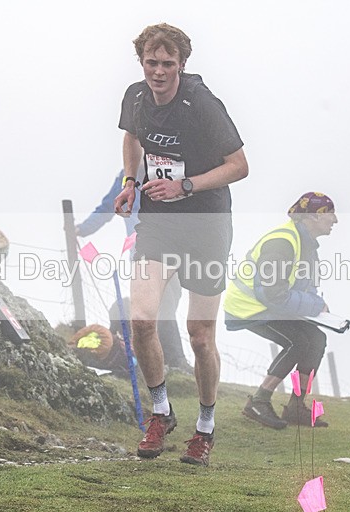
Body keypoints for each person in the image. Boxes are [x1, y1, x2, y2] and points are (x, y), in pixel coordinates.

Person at [114, 24, 249, 466]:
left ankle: (205, 427)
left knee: (200, 335)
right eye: (151, 63)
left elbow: (239, 166)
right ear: (142, 62)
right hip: (159, 223)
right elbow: (132, 136)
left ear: (182, 65)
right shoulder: (135, 97)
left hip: (207, 226)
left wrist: (186, 186)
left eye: (167, 64)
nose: (158, 71)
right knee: (141, 320)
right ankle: (160, 413)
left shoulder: (203, 104)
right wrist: (132, 182)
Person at [224, 192, 338, 429]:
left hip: (270, 305)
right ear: (315, 216)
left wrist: (319, 308)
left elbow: (305, 286)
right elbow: (273, 293)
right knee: (298, 342)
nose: (335, 220)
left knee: (317, 338)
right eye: (330, 212)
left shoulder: (306, 244)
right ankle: (258, 401)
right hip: (250, 307)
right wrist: (315, 306)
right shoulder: (282, 242)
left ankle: (296, 406)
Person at [77, 169, 190, 373]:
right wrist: (82, 230)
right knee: (164, 305)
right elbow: (108, 206)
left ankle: (158, 355)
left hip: (175, 250)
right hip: (146, 252)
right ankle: (175, 360)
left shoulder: (168, 167)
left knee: (169, 302)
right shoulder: (126, 176)